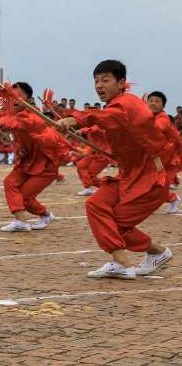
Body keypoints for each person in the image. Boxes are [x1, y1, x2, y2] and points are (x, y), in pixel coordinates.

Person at [57, 60, 172, 279]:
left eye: (105, 80)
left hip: (149, 179)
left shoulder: (126, 104)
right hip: (128, 175)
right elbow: (109, 124)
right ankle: (156, 253)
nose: (99, 85)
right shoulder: (117, 105)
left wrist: (76, 118)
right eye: (96, 81)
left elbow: (105, 117)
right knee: (96, 204)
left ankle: (122, 263)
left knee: (114, 223)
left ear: (121, 82)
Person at [0, 82, 60, 232]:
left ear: (29, 100)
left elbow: (20, 123)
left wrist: (1, 122)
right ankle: (22, 222)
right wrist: (20, 150)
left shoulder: (33, 116)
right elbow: (19, 136)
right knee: (9, 182)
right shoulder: (13, 115)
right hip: (27, 162)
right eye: (12, 95)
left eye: (19, 95)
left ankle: (44, 215)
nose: (14, 98)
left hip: (45, 165)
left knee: (24, 197)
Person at [145, 91, 181, 214]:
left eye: (157, 101)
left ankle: (173, 199)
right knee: (149, 185)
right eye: (151, 100)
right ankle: (171, 199)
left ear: (163, 106)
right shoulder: (148, 117)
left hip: (171, 160)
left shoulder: (163, 118)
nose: (153, 103)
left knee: (157, 187)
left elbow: (157, 128)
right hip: (159, 159)